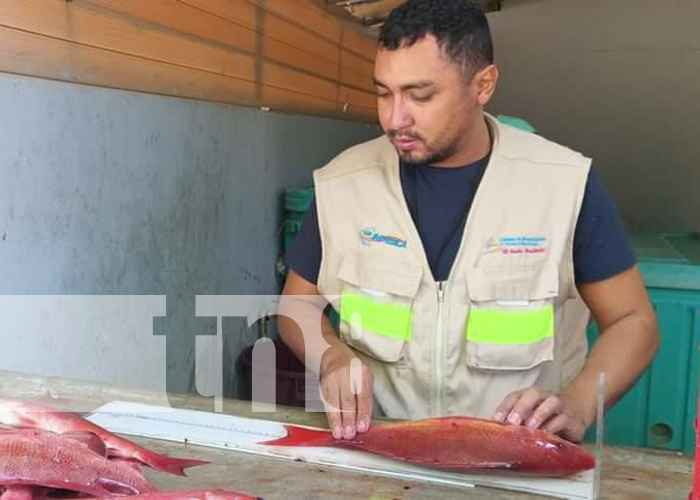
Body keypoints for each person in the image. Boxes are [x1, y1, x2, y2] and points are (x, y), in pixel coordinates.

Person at [278, 0, 659, 444]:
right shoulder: (344, 184)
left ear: (483, 85)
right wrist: (332, 358)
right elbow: (298, 306)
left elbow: (634, 321)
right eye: (384, 92)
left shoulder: (563, 185)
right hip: (384, 454)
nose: (394, 118)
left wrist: (576, 403)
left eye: (420, 95)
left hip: (520, 461)